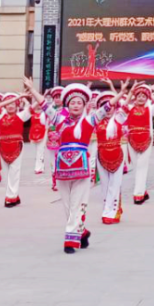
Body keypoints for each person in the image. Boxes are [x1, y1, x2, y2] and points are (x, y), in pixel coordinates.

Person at [25, 78, 107, 254]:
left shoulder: (90, 121)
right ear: (67, 105)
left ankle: (70, 240)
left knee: (77, 204)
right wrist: (32, 90)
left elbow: (105, 109)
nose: (76, 105)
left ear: (84, 105)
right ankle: (82, 232)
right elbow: (45, 105)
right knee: (67, 205)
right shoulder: (59, 120)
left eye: (79, 103)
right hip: (62, 168)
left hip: (82, 169)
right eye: (72, 103)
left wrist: (122, 94)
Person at [95, 84, 131, 225]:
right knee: (104, 184)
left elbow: (126, 106)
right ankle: (107, 208)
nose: (108, 109)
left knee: (114, 184)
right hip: (101, 155)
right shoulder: (96, 120)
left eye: (111, 106)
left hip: (117, 155)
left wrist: (127, 92)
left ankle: (112, 211)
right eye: (105, 106)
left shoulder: (118, 119)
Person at [125, 82, 154, 204]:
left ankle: (138, 194)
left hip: (146, 140)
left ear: (147, 98)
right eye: (138, 96)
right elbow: (122, 107)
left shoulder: (150, 109)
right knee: (137, 167)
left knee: (142, 166)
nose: (141, 98)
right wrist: (130, 92)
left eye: (143, 96)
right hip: (132, 141)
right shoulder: (130, 109)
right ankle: (143, 191)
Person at [0, 93, 33, 207]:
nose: (10, 106)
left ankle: (10, 198)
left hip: (17, 146)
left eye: (13, 104)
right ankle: (13, 196)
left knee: (14, 172)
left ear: (17, 106)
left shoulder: (21, 116)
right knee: (6, 173)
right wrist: (16, 98)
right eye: (8, 104)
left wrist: (28, 97)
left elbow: (33, 108)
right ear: (5, 106)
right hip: (3, 146)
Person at [29, 99, 48, 174]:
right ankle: (41, 166)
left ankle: (38, 168)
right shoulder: (32, 113)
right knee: (37, 151)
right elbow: (29, 108)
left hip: (43, 133)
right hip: (34, 133)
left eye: (40, 104)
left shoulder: (44, 114)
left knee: (40, 151)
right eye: (37, 104)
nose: (38, 106)